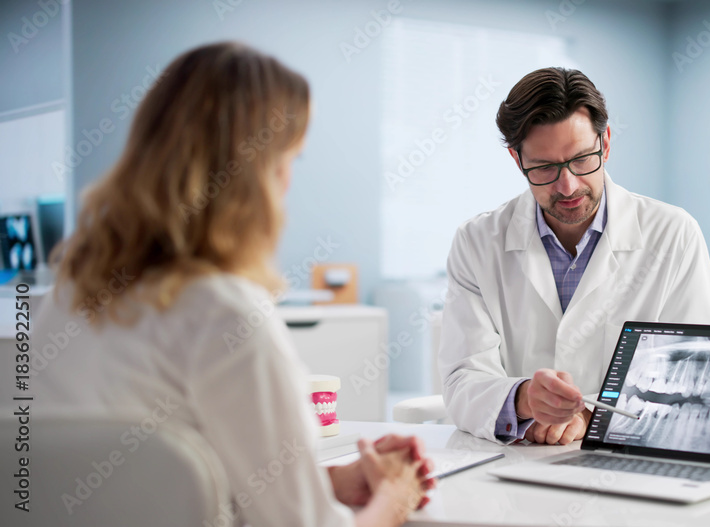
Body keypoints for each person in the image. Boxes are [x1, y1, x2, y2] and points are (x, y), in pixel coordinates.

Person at [33, 42, 433, 527]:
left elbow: (144, 488)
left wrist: (324, 480)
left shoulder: (69, 294)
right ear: (255, 174)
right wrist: (394, 497)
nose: (287, 183)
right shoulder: (225, 314)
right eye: (290, 160)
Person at [439, 67, 710, 446]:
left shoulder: (673, 234)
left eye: (582, 159)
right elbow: (462, 380)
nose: (568, 185)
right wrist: (523, 399)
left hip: (629, 460)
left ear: (605, 143)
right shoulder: (477, 242)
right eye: (544, 168)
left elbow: (697, 375)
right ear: (517, 160)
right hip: (519, 465)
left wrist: (595, 416)